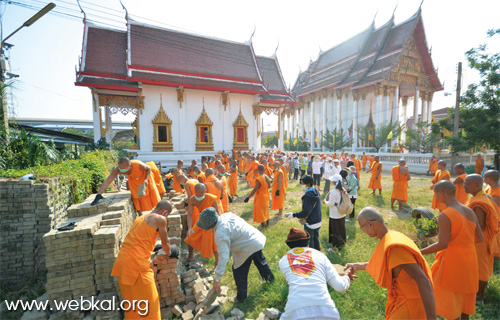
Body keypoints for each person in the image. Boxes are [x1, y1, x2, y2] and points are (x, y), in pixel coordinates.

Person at [345, 208, 436, 320]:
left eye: (361, 227)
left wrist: (431, 318)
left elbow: (422, 280)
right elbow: (385, 263)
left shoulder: (395, 247)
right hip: (402, 300)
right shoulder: (392, 236)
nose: (363, 231)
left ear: (370, 224)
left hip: (411, 304)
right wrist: (358, 266)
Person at [421, 181, 483, 320]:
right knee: (465, 297)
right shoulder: (470, 211)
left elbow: (442, 244)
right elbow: (480, 237)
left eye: (436, 194)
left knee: (451, 300)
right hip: (470, 258)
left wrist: (419, 252)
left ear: (441, 193)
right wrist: (463, 243)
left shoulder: (445, 215)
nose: (436, 197)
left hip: (454, 260)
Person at [111, 201, 178, 319]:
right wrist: (169, 252)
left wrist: (153, 247)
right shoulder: (160, 219)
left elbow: (139, 239)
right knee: (151, 302)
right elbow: (165, 242)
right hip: (137, 266)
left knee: (132, 302)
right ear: (165, 212)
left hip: (122, 262)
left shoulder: (140, 218)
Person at [197, 208, 274, 303]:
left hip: (247, 246)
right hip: (255, 239)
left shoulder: (220, 233)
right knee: (260, 261)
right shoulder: (226, 215)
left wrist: (217, 279)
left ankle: (241, 297)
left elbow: (224, 256)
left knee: (239, 271)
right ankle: (270, 280)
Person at [279, 228, 355, 320]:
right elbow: (340, 286)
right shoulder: (320, 255)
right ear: (308, 242)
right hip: (327, 312)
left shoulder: (283, 261)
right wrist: (347, 277)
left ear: (289, 245)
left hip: (295, 312)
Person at [464, 174, 500, 301]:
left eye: (467, 184)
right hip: (483, 237)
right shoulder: (481, 197)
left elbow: (479, 225)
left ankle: (479, 295)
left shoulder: (479, 202)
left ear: (478, 185)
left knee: (480, 266)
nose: (464, 186)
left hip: (480, 239)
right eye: (464, 183)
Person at [91, 157, 160, 216]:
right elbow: (108, 181)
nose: (121, 170)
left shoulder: (138, 164)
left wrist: (145, 180)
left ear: (129, 166)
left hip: (145, 178)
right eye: (119, 168)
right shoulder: (117, 170)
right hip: (133, 181)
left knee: (152, 195)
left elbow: (149, 168)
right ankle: (140, 215)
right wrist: (99, 194)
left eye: (123, 168)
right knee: (135, 197)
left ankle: (157, 213)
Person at [184, 184, 220, 265]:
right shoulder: (192, 199)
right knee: (190, 237)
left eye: (201, 194)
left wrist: (217, 226)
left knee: (215, 244)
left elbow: (217, 213)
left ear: (205, 192)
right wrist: (190, 227)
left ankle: (217, 264)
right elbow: (189, 214)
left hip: (212, 221)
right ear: (195, 192)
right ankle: (190, 257)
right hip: (202, 221)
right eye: (197, 194)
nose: (199, 196)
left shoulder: (211, 198)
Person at [284, 175, 322, 251]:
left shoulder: (307, 196)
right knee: (316, 239)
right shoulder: (315, 190)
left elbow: (305, 212)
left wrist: (293, 215)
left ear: (307, 184)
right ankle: (318, 252)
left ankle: (312, 256)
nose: (302, 186)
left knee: (310, 242)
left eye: (302, 184)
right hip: (317, 220)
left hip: (310, 222)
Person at [324, 174, 345, 252]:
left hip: (334, 214)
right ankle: (341, 244)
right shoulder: (343, 189)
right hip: (342, 212)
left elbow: (331, 204)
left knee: (335, 231)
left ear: (334, 182)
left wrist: (325, 202)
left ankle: (334, 248)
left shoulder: (334, 191)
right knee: (341, 229)